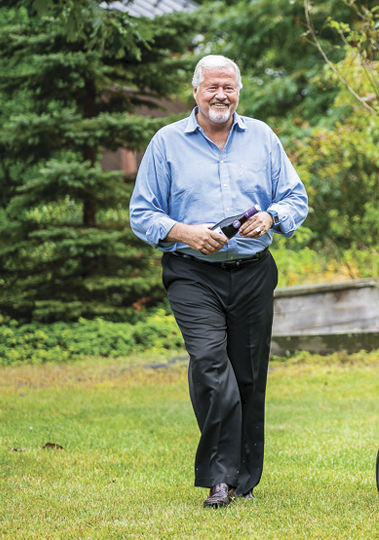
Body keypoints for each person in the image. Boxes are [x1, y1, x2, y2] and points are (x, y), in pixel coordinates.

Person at [129, 55, 308, 508]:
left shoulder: (263, 137)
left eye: (228, 87)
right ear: (196, 91)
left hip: (252, 272)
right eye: (212, 87)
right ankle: (219, 479)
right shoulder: (167, 143)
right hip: (192, 274)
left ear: (238, 92)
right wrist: (185, 232)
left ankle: (244, 476)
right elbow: (142, 213)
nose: (220, 96)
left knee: (247, 377)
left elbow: (295, 197)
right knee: (210, 364)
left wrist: (271, 216)